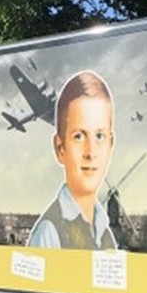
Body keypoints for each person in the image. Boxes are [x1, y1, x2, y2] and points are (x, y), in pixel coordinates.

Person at [28, 71, 117, 249]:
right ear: (60, 148)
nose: (90, 152)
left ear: (110, 144)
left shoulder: (104, 232)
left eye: (99, 136)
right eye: (79, 136)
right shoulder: (49, 232)